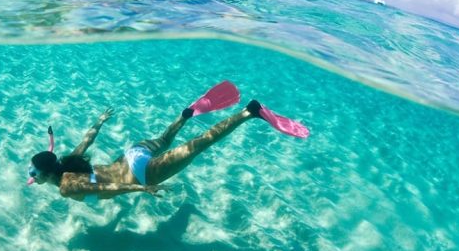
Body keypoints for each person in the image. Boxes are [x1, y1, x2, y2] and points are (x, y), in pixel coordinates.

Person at [26, 81, 309, 202]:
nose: (31, 176)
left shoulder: (65, 186)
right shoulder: (66, 162)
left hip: (141, 172)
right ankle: (186, 114)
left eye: (33, 173)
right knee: (165, 138)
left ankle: (250, 112)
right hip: (131, 154)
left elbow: (105, 186)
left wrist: (140, 189)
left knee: (199, 145)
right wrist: (100, 121)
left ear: (48, 173)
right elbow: (86, 141)